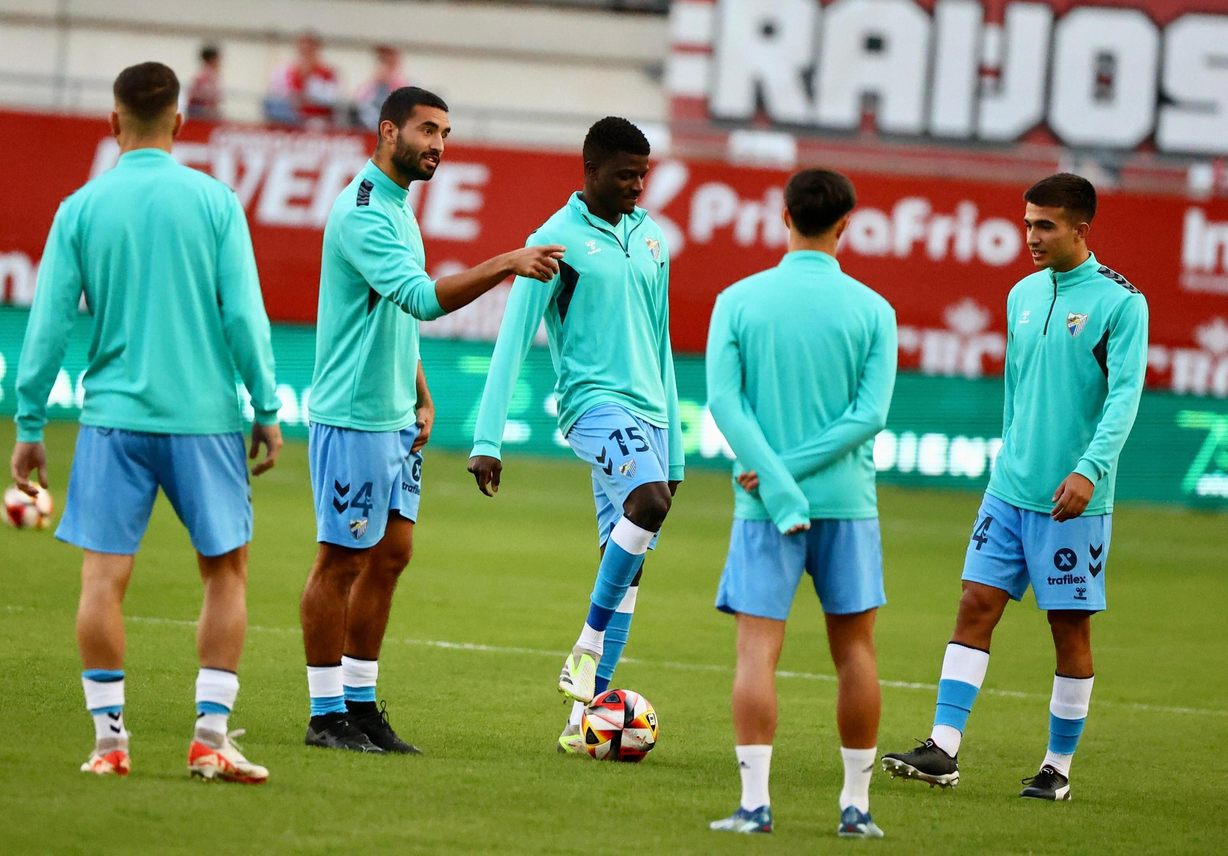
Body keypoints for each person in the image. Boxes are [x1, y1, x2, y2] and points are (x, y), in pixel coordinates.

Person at [11, 62, 282, 784]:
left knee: (102, 577)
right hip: (204, 420)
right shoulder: (215, 201)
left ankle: (109, 742)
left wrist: (29, 421)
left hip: (113, 421)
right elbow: (244, 318)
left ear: (113, 121)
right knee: (225, 572)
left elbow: (48, 327)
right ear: (180, 124)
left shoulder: (81, 207)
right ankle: (210, 737)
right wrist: (267, 406)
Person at [302, 86, 565, 754]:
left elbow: (394, 314)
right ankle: (325, 714)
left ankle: (361, 707)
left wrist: (420, 392)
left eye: (444, 132)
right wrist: (507, 260)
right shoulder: (363, 210)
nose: (437, 145)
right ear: (387, 131)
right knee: (341, 560)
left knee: (391, 556)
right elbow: (419, 298)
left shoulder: (399, 210)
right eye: (425, 129)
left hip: (395, 413)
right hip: (354, 415)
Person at [881, 173, 1148, 802]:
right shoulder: (1022, 294)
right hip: (1009, 491)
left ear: (1081, 229)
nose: (1030, 236)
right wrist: (1008, 460)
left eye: (1045, 225)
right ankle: (942, 749)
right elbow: (1017, 393)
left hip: (1072, 499)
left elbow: (1124, 398)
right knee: (975, 603)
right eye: (1027, 222)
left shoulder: (1120, 303)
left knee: (1068, 629)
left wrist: (1090, 470)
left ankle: (1057, 767)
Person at [468, 116, 685, 754]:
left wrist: (669, 444)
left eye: (643, 174)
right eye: (625, 175)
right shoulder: (554, 240)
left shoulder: (651, 240)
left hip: (649, 414)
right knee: (649, 505)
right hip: (593, 405)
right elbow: (514, 336)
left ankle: (583, 719)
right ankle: (584, 650)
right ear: (589, 172)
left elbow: (661, 339)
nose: (637, 186)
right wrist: (488, 438)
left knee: (628, 568)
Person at [704, 169, 897, 839]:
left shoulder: (738, 299)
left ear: (782, 214)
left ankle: (755, 804)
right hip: (848, 503)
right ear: (847, 223)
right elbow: (869, 415)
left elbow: (725, 403)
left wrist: (776, 476)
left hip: (762, 502)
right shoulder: (874, 309)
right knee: (856, 651)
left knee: (757, 651)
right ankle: (856, 807)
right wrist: (796, 475)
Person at [264, 32, 341, 128]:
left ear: (316, 49)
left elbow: (332, 98)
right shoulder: (285, 71)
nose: (306, 52)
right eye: (303, 49)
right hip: (290, 116)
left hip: (317, 119)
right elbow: (275, 92)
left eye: (309, 49)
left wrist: (310, 80)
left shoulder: (327, 72)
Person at [352, 45, 409, 132]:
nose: (384, 65)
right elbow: (358, 99)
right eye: (382, 60)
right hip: (371, 126)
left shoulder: (403, 83)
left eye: (388, 61)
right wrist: (375, 81)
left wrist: (390, 81)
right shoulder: (373, 83)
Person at [186, 44, 223, 122]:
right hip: (202, 112)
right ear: (212, 60)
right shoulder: (205, 75)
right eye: (217, 59)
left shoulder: (212, 75)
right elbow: (206, 95)